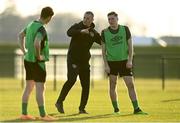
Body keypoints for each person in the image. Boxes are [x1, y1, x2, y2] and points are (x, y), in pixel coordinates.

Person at [101, 11, 147, 114]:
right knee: (112, 85)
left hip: (124, 62)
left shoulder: (125, 29)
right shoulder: (104, 32)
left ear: (117, 19)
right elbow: (103, 51)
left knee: (130, 85)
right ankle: (116, 109)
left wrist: (130, 60)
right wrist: (106, 65)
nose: (111, 21)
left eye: (112, 19)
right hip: (112, 62)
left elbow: (130, 46)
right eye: (109, 19)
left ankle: (136, 109)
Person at [55, 11, 101, 114]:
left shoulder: (93, 32)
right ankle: (59, 102)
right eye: (84, 17)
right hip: (73, 59)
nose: (85, 19)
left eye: (88, 18)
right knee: (71, 80)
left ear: (92, 20)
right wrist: (81, 31)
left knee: (86, 85)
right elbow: (69, 33)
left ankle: (81, 109)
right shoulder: (77, 26)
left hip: (84, 62)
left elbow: (102, 42)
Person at [18, 6, 56, 121]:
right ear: (49, 17)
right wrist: (39, 56)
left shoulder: (30, 25)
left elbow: (20, 35)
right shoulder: (41, 29)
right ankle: (43, 115)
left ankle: (24, 114)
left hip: (28, 60)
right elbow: (37, 43)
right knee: (40, 88)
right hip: (37, 62)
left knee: (29, 87)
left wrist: (24, 51)